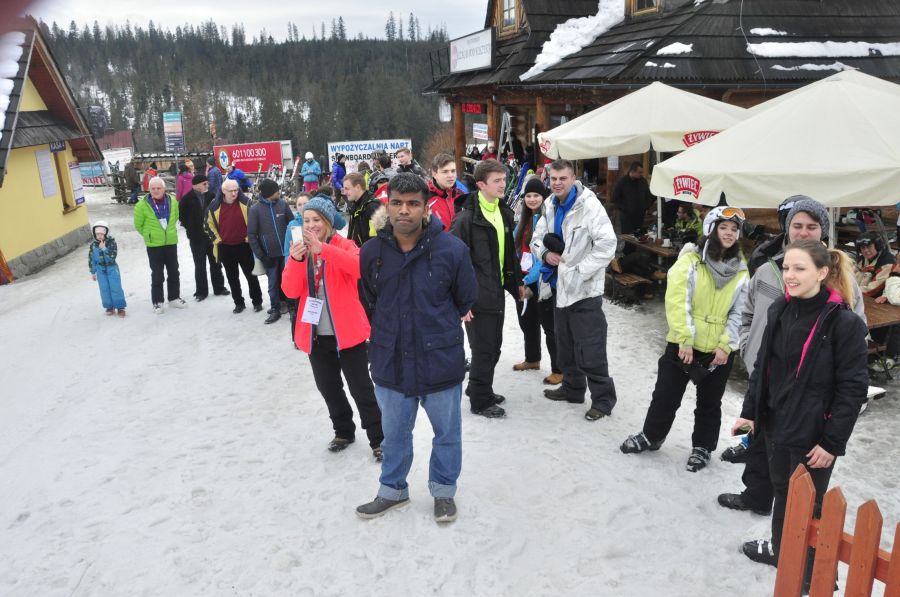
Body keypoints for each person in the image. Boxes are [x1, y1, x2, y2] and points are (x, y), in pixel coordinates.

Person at [717, 196, 867, 516]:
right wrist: (748, 346)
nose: (803, 232)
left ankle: (787, 540)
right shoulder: (770, 270)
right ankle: (756, 496)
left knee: (796, 477)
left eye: (811, 226)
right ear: (787, 229)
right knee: (760, 447)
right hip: (768, 380)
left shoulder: (839, 279)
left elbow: (855, 337)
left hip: (808, 398)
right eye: (797, 225)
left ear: (822, 233)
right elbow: (746, 314)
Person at [734, 240, 867, 579]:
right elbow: (764, 364)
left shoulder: (844, 324)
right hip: (776, 423)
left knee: (809, 505)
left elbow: (852, 389)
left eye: (800, 268)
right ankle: (783, 552)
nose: (790, 275)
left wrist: (832, 443)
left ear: (822, 273)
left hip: (814, 434)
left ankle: (811, 577)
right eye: (788, 268)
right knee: (782, 491)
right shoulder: (780, 308)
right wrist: (751, 411)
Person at [356, 173, 478, 522]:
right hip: (390, 360)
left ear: (426, 208)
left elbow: (465, 297)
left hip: (439, 359)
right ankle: (392, 490)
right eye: (397, 202)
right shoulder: (372, 252)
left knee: (447, 434)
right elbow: (369, 300)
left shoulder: (452, 250)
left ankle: (443, 491)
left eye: (412, 203)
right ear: (387, 205)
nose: (404, 210)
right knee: (394, 434)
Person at [620, 207, 750, 472]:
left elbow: (741, 311)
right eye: (723, 227)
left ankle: (703, 447)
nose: (728, 233)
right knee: (666, 395)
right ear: (711, 229)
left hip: (718, 351)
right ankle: (652, 435)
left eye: (734, 229)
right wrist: (684, 339)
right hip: (683, 344)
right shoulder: (690, 260)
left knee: (710, 403)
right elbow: (678, 300)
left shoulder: (741, 271)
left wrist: (726, 346)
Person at [282, 196, 384, 458]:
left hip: (348, 334)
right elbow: (290, 291)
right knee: (328, 387)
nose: (311, 225)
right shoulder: (299, 250)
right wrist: (294, 261)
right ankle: (343, 430)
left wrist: (323, 250)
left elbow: (359, 269)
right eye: (307, 220)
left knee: (361, 388)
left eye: (317, 220)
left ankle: (378, 438)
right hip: (316, 335)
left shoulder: (344, 244)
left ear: (327, 222)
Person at [532, 159, 618, 421]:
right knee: (565, 344)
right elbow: (536, 239)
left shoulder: (589, 206)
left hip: (585, 291)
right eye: (553, 178)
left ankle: (603, 400)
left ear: (573, 178)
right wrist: (545, 255)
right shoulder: (549, 204)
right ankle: (572, 388)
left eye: (563, 178)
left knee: (590, 347)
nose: (557, 183)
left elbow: (607, 245)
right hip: (559, 288)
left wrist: (580, 271)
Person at [450, 159, 524, 418]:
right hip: (475, 296)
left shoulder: (503, 212)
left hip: (496, 291)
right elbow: (451, 263)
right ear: (481, 185)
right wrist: (462, 301)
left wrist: (517, 284)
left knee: (494, 345)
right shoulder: (466, 219)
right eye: (497, 181)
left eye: (504, 180)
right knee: (484, 348)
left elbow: (508, 255)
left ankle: (479, 388)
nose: (503, 185)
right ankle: (480, 400)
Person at [513, 177, 561, 384]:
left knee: (550, 327)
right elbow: (515, 249)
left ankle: (559, 369)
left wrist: (528, 279)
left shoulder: (548, 220)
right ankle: (532, 358)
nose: (532, 199)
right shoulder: (522, 220)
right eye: (528, 196)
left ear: (544, 197)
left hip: (542, 281)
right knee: (527, 322)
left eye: (536, 195)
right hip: (522, 279)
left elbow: (545, 256)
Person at [205, 179, 264, 314]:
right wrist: (218, 240)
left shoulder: (247, 203)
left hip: (245, 246)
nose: (234, 193)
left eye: (236, 190)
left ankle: (257, 301)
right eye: (230, 191)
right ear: (223, 191)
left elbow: (256, 221)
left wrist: (251, 236)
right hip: (225, 247)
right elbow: (208, 225)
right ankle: (238, 303)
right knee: (232, 278)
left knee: (251, 276)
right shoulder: (214, 207)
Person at [134, 177, 186, 313]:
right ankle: (158, 301)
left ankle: (174, 298)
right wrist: (150, 235)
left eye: (159, 188)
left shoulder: (173, 201)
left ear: (164, 189)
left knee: (174, 271)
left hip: (170, 242)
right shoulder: (141, 205)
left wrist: (167, 233)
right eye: (153, 188)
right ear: (149, 189)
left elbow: (175, 217)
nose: (156, 191)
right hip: (154, 245)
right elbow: (138, 225)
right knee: (157, 274)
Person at [248, 179, 293, 324]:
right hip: (269, 255)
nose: (279, 193)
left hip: (286, 253)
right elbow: (252, 235)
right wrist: (261, 255)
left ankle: (291, 306)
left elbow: (292, 225)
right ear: (269, 193)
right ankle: (275, 309)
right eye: (276, 191)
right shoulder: (255, 210)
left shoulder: (283, 205)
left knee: (289, 281)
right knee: (273, 284)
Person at [178, 173, 228, 301]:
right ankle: (201, 292)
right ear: (196, 185)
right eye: (204, 183)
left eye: (207, 183)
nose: (207, 185)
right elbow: (182, 217)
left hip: (212, 237)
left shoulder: (212, 196)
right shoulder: (186, 199)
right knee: (199, 265)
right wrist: (191, 228)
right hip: (196, 238)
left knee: (216, 263)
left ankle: (219, 287)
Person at [283, 192, 313, 343]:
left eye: (305, 204)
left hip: (313, 268)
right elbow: (286, 251)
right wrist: (288, 268)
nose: (302, 207)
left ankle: (313, 333)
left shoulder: (315, 223)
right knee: (297, 305)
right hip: (298, 268)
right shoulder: (292, 225)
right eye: (299, 204)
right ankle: (297, 337)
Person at [88, 220, 126, 317]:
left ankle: (120, 307)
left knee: (115, 287)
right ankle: (109, 307)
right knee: (104, 289)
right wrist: (93, 272)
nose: (100, 236)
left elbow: (112, 257)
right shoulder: (93, 246)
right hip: (100, 270)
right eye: (97, 234)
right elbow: (91, 259)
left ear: (106, 233)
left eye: (102, 233)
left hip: (111, 268)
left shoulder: (111, 243)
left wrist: (104, 248)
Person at [612, 162, 654, 235]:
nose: (641, 174)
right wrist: (625, 208)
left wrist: (646, 207)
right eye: (639, 172)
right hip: (627, 218)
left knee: (638, 237)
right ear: (632, 171)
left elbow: (648, 195)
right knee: (628, 239)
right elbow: (615, 198)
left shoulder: (643, 181)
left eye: (642, 172)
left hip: (640, 216)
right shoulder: (622, 182)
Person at [426, 153, 462, 232]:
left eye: (453, 171)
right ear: (434, 174)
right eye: (445, 172)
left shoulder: (461, 196)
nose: (450, 175)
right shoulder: (425, 198)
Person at [344, 173, 382, 247]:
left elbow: (376, 239)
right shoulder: (355, 205)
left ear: (358, 187)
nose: (345, 192)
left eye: (347, 188)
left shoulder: (372, 207)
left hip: (367, 255)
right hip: (355, 253)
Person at [853, 232, 894, 297]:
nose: (866, 250)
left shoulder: (887, 263)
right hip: (859, 295)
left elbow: (873, 289)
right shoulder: (862, 259)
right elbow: (850, 276)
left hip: (876, 301)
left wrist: (850, 291)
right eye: (863, 248)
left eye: (869, 247)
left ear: (877, 246)